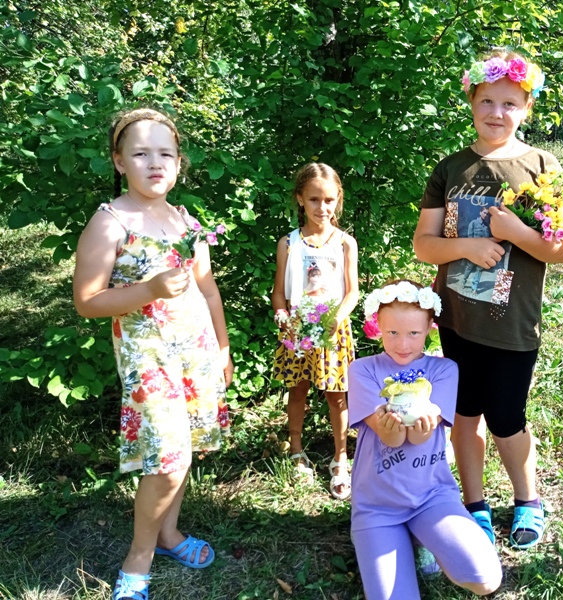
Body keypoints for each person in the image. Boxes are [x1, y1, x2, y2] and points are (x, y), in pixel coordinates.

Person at [413, 50, 563, 549]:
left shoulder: (542, 167)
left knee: (507, 419)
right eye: (487, 100)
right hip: (457, 321)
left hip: (513, 325)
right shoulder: (451, 169)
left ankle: (528, 500)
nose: (496, 112)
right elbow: (424, 245)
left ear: (527, 108)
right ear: (471, 101)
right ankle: (475, 503)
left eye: (509, 103)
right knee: (464, 414)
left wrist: (516, 232)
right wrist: (467, 247)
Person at [73, 108, 234, 600]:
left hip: (194, 351)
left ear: (180, 162)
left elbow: (208, 290)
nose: (155, 162)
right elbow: (87, 301)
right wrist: (149, 289)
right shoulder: (110, 223)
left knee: (183, 450)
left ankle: (168, 534)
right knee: (167, 458)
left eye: (165, 153)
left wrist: (223, 347)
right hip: (148, 356)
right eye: (141, 153)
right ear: (119, 161)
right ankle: (137, 559)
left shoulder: (185, 221)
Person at [349, 280, 502, 600]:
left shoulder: (444, 370)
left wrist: (423, 426)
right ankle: (393, 538)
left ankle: (425, 539)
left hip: (431, 498)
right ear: (378, 327)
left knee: (486, 578)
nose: (403, 343)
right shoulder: (362, 370)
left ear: (430, 327)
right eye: (392, 332)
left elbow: (420, 437)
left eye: (413, 333)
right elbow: (391, 439)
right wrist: (392, 424)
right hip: (377, 507)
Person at [271, 163, 358, 500]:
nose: (322, 207)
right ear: (300, 199)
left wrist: (338, 317)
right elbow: (279, 292)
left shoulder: (345, 243)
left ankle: (340, 458)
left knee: (338, 395)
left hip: (333, 331)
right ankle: (296, 450)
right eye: (314, 199)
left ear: (338, 200)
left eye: (329, 200)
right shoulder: (289, 244)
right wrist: (281, 314)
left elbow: (352, 292)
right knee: (298, 391)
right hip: (297, 329)